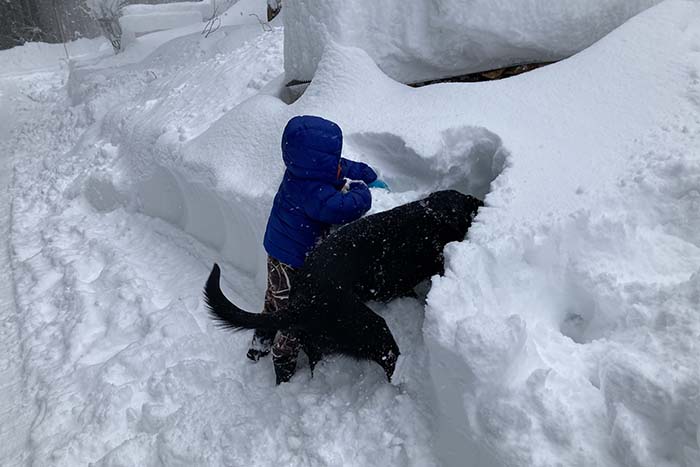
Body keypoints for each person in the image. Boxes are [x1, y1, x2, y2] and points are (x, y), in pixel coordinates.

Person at [247, 115, 387, 384]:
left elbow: (338, 167)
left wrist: (366, 173)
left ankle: (260, 340)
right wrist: (362, 190)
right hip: (293, 261)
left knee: (273, 301)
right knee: (291, 316)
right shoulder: (311, 190)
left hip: (277, 252)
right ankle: (283, 363)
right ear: (317, 160)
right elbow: (343, 208)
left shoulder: (301, 170)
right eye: (333, 155)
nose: (338, 160)